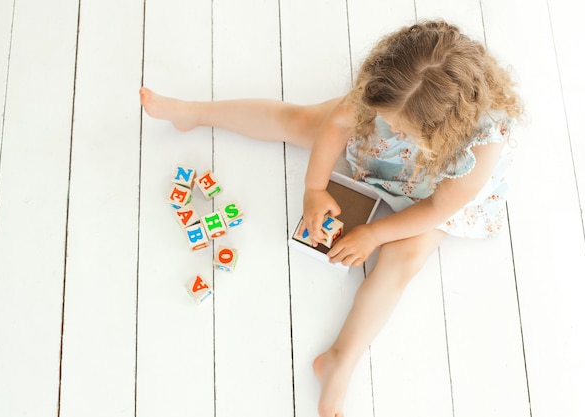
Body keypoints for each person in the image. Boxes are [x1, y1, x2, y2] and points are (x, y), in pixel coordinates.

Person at [140, 20, 522, 417]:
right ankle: (193, 113)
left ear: (440, 128)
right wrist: (314, 189)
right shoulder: (388, 84)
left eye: (399, 127)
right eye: (386, 118)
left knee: (405, 259)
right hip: (390, 153)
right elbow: (338, 124)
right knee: (301, 120)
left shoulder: (480, 145)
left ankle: (339, 359)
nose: (390, 128)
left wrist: (373, 234)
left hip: (431, 189)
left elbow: (439, 209)